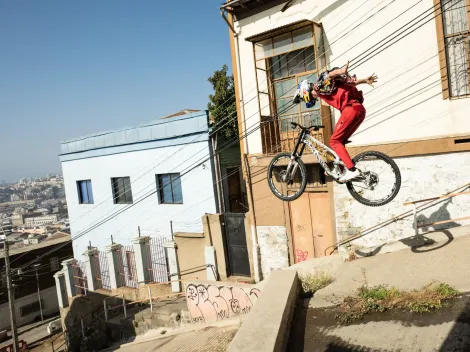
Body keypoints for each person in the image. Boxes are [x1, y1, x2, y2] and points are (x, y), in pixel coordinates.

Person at [295, 61, 377, 182]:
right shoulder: (328, 88)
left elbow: (329, 75)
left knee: (334, 141)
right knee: (340, 141)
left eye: (305, 97)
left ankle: (351, 170)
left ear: (305, 91)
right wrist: (365, 81)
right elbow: (349, 83)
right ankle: (340, 168)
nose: (311, 99)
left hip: (350, 110)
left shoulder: (318, 86)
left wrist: (341, 71)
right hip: (360, 110)